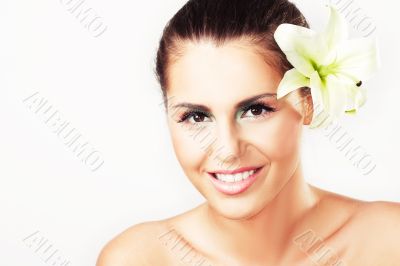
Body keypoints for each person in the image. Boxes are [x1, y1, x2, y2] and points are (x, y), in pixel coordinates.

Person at [97, 0, 400, 265]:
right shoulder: (138, 259)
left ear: (307, 103)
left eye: (256, 110)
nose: (227, 149)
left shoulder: (389, 242)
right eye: (196, 116)